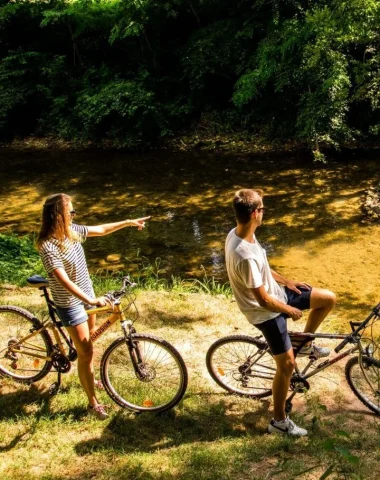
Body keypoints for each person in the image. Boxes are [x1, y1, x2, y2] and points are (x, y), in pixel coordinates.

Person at [225, 189, 336, 437]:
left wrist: (287, 281)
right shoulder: (243, 254)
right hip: (264, 312)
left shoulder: (240, 232)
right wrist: (289, 310)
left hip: (278, 294)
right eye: (262, 209)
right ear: (255, 214)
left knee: (327, 299)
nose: (264, 212)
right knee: (286, 366)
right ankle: (279, 422)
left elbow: (263, 268)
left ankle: (304, 343)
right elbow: (263, 300)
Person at [37, 193, 150, 420]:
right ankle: (92, 403)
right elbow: (63, 280)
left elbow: (101, 229)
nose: (74, 215)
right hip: (69, 303)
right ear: (58, 215)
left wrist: (127, 223)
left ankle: (86, 373)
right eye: (71, 212)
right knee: (86, 351)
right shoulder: (48, 245)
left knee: (88, 346)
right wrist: (90, 301)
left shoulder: (73, 232)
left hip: (86, 294)